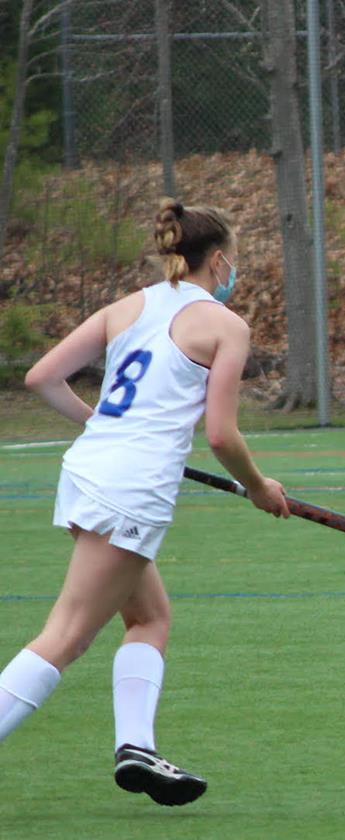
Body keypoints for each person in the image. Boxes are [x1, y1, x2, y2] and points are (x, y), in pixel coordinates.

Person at [2, 199, 289, 804]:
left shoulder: (129, 306)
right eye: (232, 259)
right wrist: (261, 488)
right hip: (131, 490)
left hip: (87, 475)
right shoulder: (225, 326)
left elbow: (42, 378)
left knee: (149, 617)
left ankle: (137, 748)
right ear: (219, 259)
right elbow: (221, 435)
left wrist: (101, 425)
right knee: (67, 635)